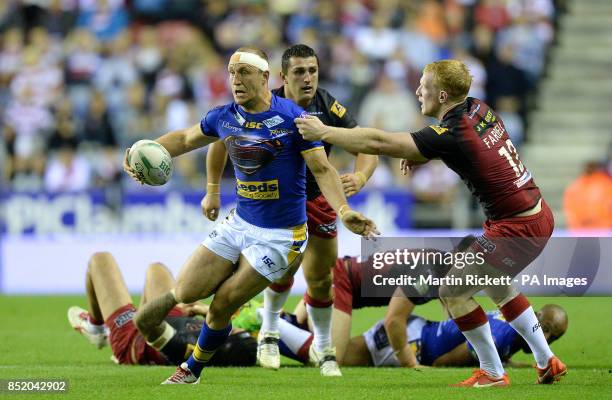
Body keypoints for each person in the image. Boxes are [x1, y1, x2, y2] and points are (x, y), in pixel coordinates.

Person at [295, 59, 566, 387]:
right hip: (536, 214)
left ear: (440, 94)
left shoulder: (452, 132)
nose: (417, 90)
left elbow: (380, 143)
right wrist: (424, 152)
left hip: (516, 227)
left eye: (423, 85)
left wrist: (324, 132)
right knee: (498, 286)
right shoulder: (478, 108)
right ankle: (545, 360)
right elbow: (464, 149)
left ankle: (493, 373)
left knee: (452, 290)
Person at [123, 46, 378, 385]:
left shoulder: (294, 120)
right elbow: (185, 139)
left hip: (281, 236)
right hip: (240, 223)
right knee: (185, 291)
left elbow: (322, 168)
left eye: (244, 72)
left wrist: (345, 210)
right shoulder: (223, 116)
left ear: (264, 77)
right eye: (231, 72)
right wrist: (142, 151)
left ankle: (192, 371)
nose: (236, 80)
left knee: (222, 304)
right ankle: (156, 322)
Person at [201, 44, 379, 376]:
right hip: (278, 205)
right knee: (282, 271)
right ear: (282, 77)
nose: (308, 78)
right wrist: (212, 191)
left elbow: (365, 145)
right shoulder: (265, 103)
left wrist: (360, 175)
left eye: (313, 70)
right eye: (299, 71)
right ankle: (268, 332)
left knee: (321, 279)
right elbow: (217, 140)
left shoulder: (328, 105)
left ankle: (324, 349)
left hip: (320, 200)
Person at [67, 251, 257, 367]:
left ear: (227, 342)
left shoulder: (184, 347)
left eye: (237, 331)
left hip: (135, 336)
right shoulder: (224, 344)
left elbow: (142, 320)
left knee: (100, 260)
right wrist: (200, 309)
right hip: (172, 319)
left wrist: (176, 296)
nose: (238, 328)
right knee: (156, 269)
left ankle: (96, 327)